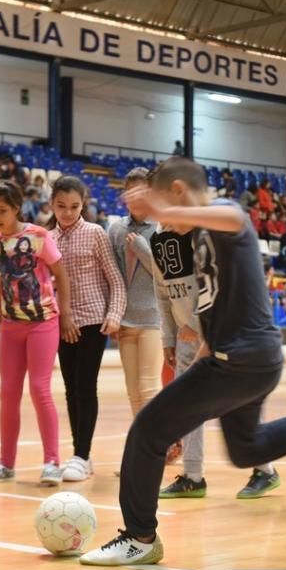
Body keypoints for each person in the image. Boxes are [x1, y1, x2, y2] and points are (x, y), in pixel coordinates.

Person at [78, 157, 286, 566]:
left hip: (243, 360)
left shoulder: (226, 215)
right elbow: (219, 300)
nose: (165, 223)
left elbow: (233, 220)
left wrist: (162, 210)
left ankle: (139, 537)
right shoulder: (199, 238)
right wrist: (203, 350)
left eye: (166, 207)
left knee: (146, 433)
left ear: (178, 193)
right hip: (245, 359)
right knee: (247, 450)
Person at [0, 181, 73, 486]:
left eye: (2, 210)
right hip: (11, 326)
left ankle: (52, 462)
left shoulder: (38, 236)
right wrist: (0, 319)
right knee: (7, 393)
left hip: (43, 321)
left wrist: (66, 314)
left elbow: (61, 274)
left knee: (39, 389)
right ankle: (6, 464)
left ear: (17, 207)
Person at [48, 176, 126, 482]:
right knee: (70, 389)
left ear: (85, 204)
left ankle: (81, 454)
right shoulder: (47, 238)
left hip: (93, 320)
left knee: (85, 385)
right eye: (61, 206)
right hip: (61, 323)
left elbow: (115, 279)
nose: (67, 212)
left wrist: (115, 314)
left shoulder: (95, 234)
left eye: (74, 206)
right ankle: (82, 456)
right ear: (51, 203)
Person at [107, 168, 162, 418]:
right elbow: (112, 277)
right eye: (130, 193)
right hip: (125, 321)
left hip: (153, 319)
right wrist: (114, 315)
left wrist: (142, 249)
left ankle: (156, 445)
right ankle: (144, 448)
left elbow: (164, 277)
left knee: (149, 388)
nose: (136, 198)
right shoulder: (115, 230)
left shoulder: (161, 229)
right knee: (133, 391)